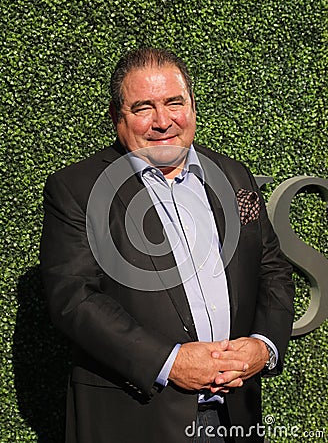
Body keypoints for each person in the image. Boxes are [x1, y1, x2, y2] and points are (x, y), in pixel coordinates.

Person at [40, 48, 295, 443]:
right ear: (117, 118)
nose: (163, 121)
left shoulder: (232, 173)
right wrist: (169, 362)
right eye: (144, 107)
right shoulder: (76, 189)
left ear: (192, 105)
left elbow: (271, 267)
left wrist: (263, 346)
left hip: (236, 416)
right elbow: (73, 298)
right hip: (138, 419)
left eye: (174, 103)